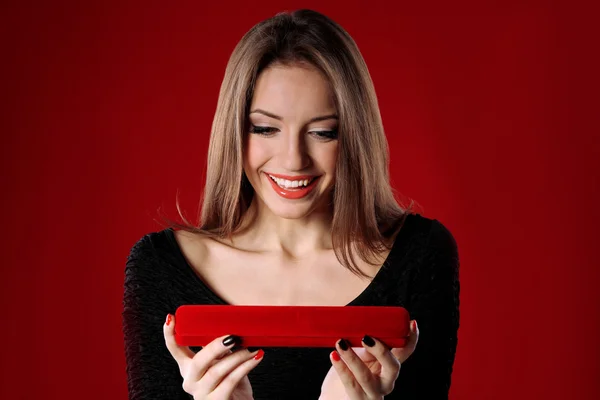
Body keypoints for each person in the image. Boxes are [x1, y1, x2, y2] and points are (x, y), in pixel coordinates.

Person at [122, 8, 460, 400]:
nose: (293, 159)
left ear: (355, 136)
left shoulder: (420, 256)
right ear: (234, 129)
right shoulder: (159, 267)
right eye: (265, 128)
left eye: (323, 132)